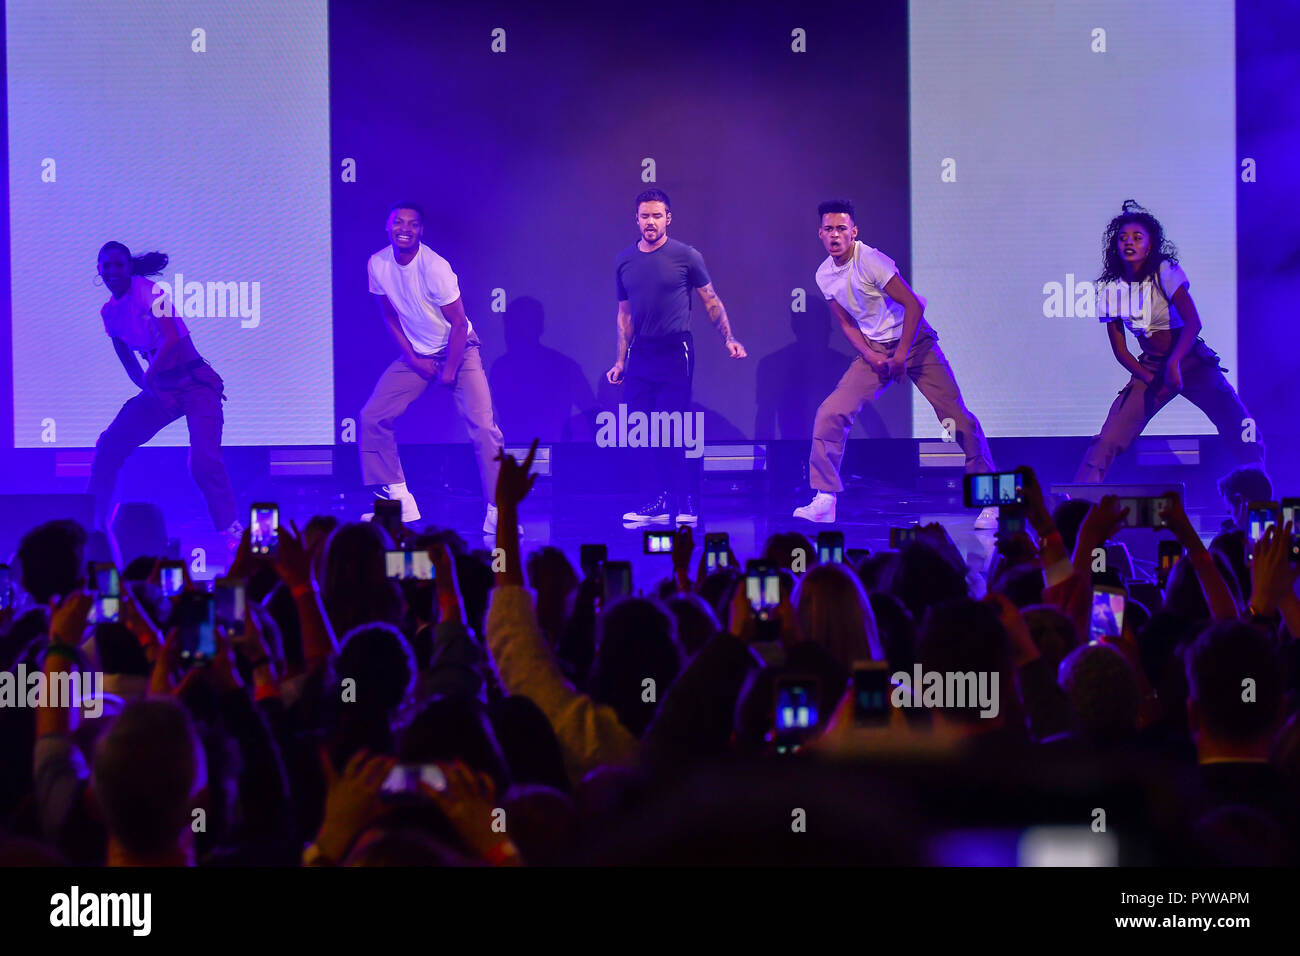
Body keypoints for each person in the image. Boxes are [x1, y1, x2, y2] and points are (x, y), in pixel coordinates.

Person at [795, 200, 998, 530]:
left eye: (842, 229)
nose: (835, 235)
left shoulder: (871, 260)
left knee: (955, 418)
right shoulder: (823, 275)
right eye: (829, 229)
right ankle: (825, 499)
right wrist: (872, 355)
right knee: (830, 412)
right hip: (874, 349)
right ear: (820, 233)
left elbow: (914, 306)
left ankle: (989, 502)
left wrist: (901, 356)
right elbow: (846, 323)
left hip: (915, 343)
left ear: (854, 232)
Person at [1074, 201, 1263, 482]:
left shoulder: (1164, 271)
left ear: (1149, 246)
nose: (1129, 242)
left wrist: (1175, 362)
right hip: (1149, 367)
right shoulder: (1112, 292)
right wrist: (1148, 377)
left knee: (1238, 422)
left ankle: (1258, 492)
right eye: (1123, 238)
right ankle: (1078, 504)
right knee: (1109, 437)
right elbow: (1121, 351)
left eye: (1137, 238)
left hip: (1191, 359)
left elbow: (1193, 322)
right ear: (1115, 247)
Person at [359, 202, 511, 534]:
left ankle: (499, 510)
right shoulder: (378, 264)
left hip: (460, 350)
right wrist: (414, 359)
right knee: (373, 417)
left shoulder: (436, 267)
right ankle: (398, 499)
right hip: (418, 354)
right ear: (388, 226)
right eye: (398, 222)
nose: (405, 228)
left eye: (412, 224)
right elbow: (389, 316)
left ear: (420, 231)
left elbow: (458, 324)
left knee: (484, 428)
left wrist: (449, 370)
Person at [605, 189, 747, 525]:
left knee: (673, 428)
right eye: (644, 216)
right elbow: (624, 315)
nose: (650, 222)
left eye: (657, 215)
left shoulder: (686, 255)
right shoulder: (623, 260)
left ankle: (686, 502)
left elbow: (711, 300)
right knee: (640, 429)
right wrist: (620, 361)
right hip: (641, 352)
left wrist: (729, 338)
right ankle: (657, 501)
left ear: (668, 218)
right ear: (636, 219)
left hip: (675, 351)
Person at [87, 242, 240, 540]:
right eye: (106, 266)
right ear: (99, 270)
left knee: (203, 462)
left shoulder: (152, 292)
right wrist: (147, 388)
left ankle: (231, 531)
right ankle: (91, 527)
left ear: (129, 266)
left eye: (118, 264)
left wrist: (150, 378)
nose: (112, 271)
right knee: (109, 446)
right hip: (162, 388)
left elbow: (170, 338)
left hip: (195, 383)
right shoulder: (109, 314)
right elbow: (128, 361)